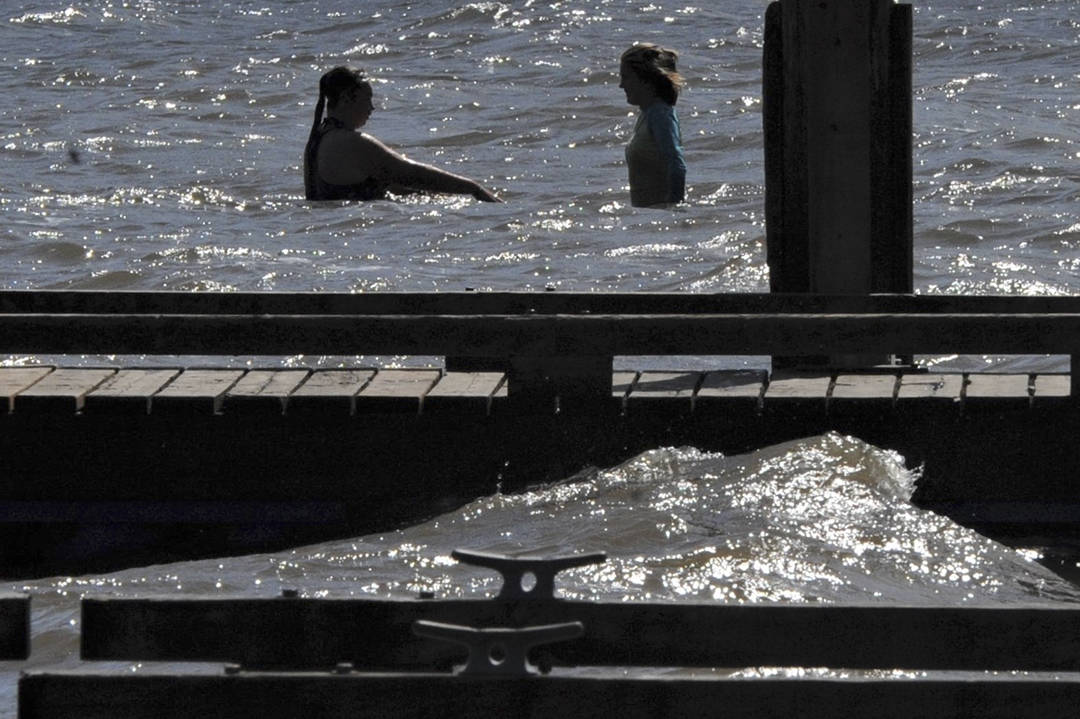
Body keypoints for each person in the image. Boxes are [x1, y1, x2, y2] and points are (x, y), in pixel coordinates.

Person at [303, 66, 500, 202]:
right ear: (346, 99)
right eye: (367, 99)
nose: (372, 108)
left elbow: (392, 184)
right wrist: (473, 188)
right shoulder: (350, 143)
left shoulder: (319, 140)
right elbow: (412, 174)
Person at [618, 44, 686, 208]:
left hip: (661, 217)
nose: (621, 85)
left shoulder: (661, 115)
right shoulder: (647, 114)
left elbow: (677, 165)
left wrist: (673, 209)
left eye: (626, 77)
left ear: (646, 80)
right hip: (648, 218)